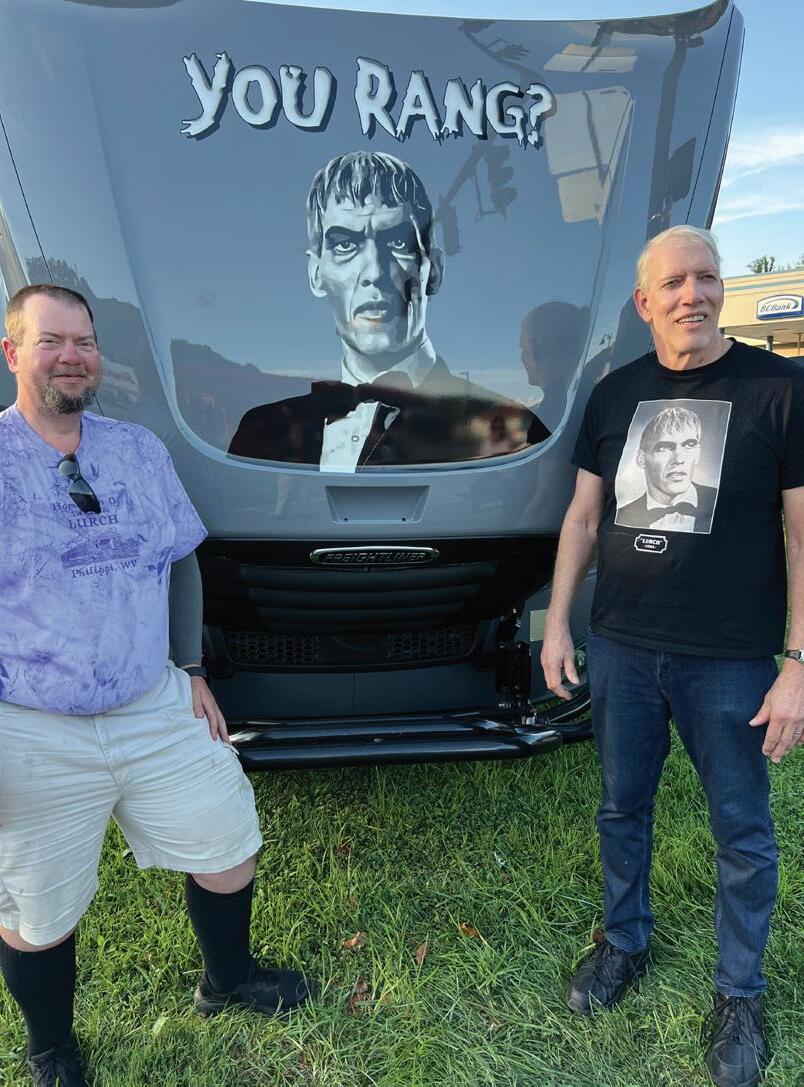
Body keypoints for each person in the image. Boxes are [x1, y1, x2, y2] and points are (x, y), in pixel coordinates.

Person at [0, 285, 314, 1087]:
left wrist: (193, 668)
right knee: (37, 907)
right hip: (31, 722)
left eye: (84, 341)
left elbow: (182, 558)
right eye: (50, 341)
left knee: (229, 839)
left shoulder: (137, 450)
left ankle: (228, 980)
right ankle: (50, 1047)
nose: (71, 356)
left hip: (153, 703)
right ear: (12, 352)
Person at [540, 226, 804, 1087]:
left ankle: (740, 994)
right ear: (644, 301)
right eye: (675, 282)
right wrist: (557, 623)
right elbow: (584, 517)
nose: (694, 294)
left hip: (730, 657)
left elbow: (802, 535)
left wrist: (798, 661)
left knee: (743, 830)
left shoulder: (780, 387)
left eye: (708, 277)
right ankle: (624, 940)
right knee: (622, 807)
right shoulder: (615, 394)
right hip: (622, 646)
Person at [228, 150, 549, 468]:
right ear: (316, 273)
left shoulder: (512, 433)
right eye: (345, 245)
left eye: (398, 243)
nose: (375, 271)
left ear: (434, 271)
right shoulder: (261, 435)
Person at [615, 405, 718, 532]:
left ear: (697, 453)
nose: (679, 459)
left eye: (689, 445)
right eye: (664, 448)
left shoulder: (723, 501)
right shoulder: (622, 516)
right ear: (641, 458)